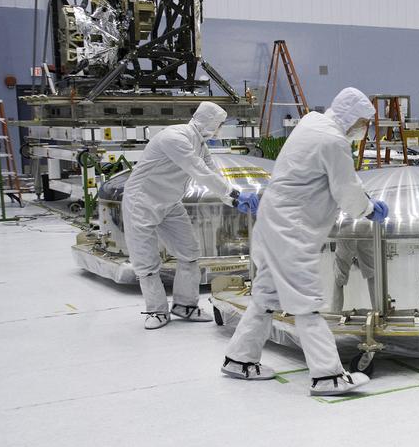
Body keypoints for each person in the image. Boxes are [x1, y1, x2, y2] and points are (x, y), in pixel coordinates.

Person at [221, 88, 389, 396]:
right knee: (307, 302)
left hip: (273, 223)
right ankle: (328, 376)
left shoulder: (312, 123)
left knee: (266, 297)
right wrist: (367, 208)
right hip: (291, 231)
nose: (364, 128)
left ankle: (239, 359)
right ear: (352, 117)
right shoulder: (334, 140)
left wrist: (361, 198)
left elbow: (330, 176)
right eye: (364, 121)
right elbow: (344, 188)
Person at [122, 101, 257, 330]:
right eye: (219, 125)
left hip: (170, 202)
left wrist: (234, 198)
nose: (219, 130)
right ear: (209, 122)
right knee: (146, 261)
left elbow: (212, 170)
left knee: (190, 252)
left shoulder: (200, 143)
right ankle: (156, 310)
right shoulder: (174, 137)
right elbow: (198, 170)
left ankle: (185, 306)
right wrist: (232, 194)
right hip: (142, 201)